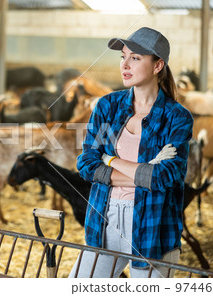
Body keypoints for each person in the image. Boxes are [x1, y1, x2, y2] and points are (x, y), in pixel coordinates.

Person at [69, 27, 193, 278]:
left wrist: (110, 159)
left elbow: (165, 177)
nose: (124, 65)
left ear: (157, 66)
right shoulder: (108, 107)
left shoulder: (176, 117)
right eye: (122, 56)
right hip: (104, 218)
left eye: (135, 58)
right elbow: (86, 164)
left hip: (154, 227)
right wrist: (143, 173)